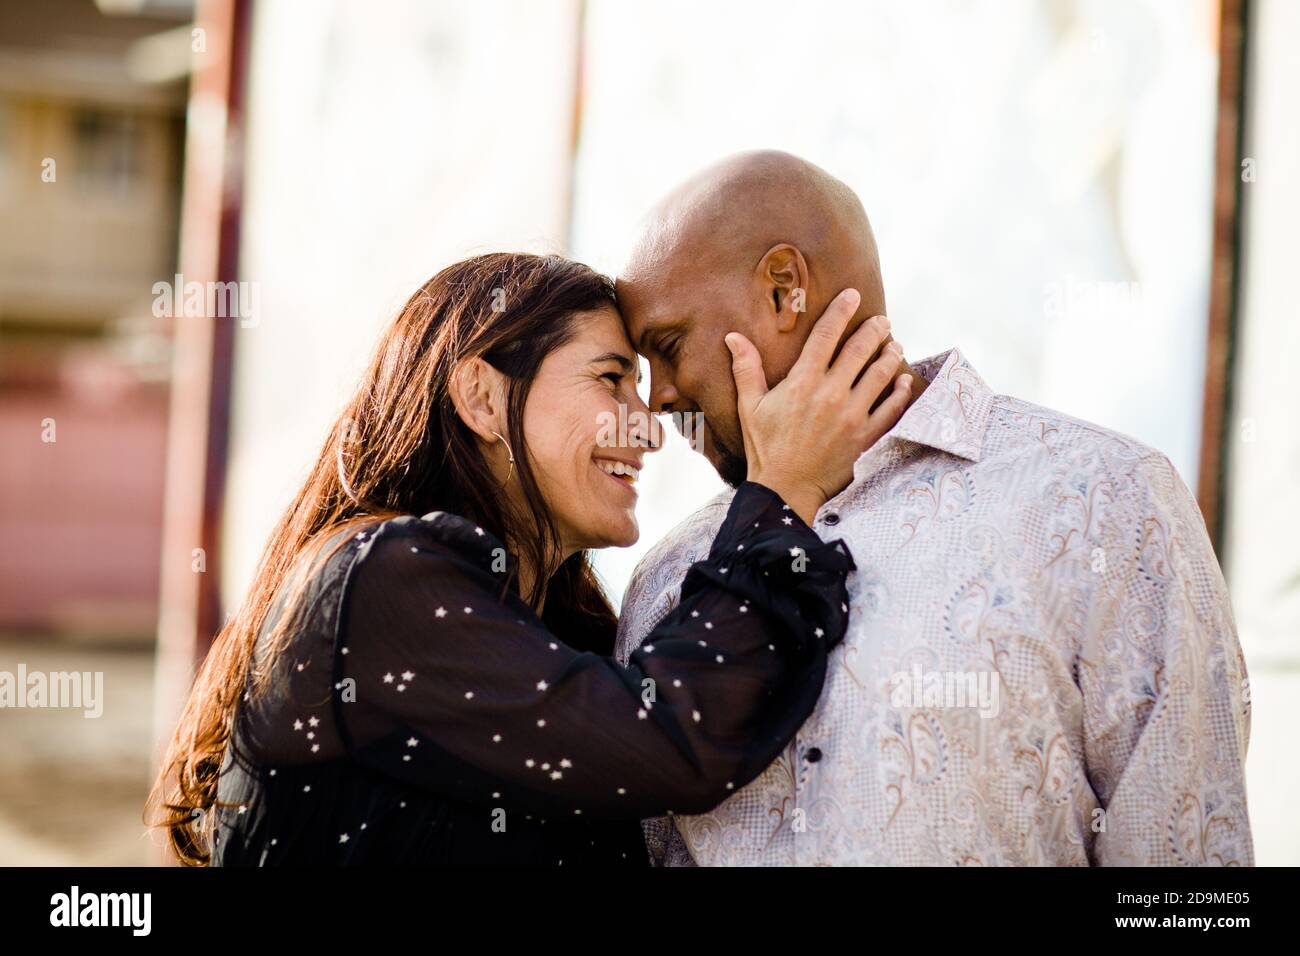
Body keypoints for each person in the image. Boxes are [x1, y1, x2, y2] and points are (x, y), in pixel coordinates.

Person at [146, 251, 910, 865]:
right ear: (480, 397)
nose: (649, 429)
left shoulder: (547, 621)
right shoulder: (383, 576)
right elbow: (673, 742)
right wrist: (782, 492)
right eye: (612, 380)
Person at [615, 150, 1254, 866]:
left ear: (784, 291)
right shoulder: (669, 580)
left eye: (666, 347)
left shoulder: (1104, 500)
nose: (656, 397)